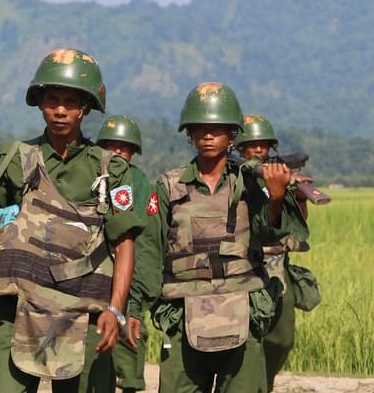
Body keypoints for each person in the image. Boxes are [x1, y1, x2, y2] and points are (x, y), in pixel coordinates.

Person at [0, 48, 143, 393]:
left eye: (71, 102)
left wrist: (116, 310)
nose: (60, 110)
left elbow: (125, 243)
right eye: (52, 99)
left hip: (85, 308)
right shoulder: (15, 157)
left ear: (85, 109)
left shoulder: (110, 169)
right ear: (40, 103)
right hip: (17, 303)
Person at [128, 82, 308, 393]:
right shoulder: (169, 186)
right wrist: (132, 309)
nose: (208, 135)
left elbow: (270, 235)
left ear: (232, 134)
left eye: (217, 128)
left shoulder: (250, 183)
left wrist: (276, 199)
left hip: (242, 309)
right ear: (190, 133)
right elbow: (149, 252)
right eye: (200, 128)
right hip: (182, 314)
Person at [235, 114, 316, 392]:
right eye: (252, 144)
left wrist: (298, 195)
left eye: (264, 145)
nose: (258, 150)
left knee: (281, 338)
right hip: (246, 265)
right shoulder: (237, 178)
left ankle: (264, 384)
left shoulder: (278, 175)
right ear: (240, 148)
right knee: (247, 338)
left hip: (278, 266)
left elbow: (297, 225)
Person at [96, 115, 150, 393]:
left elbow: (143, 238)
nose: (117, 151)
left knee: (129, 339)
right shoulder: (93, 175)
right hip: (94, 272)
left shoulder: (137, 181)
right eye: (110, 145)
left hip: (126, 268)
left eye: (124, 146)